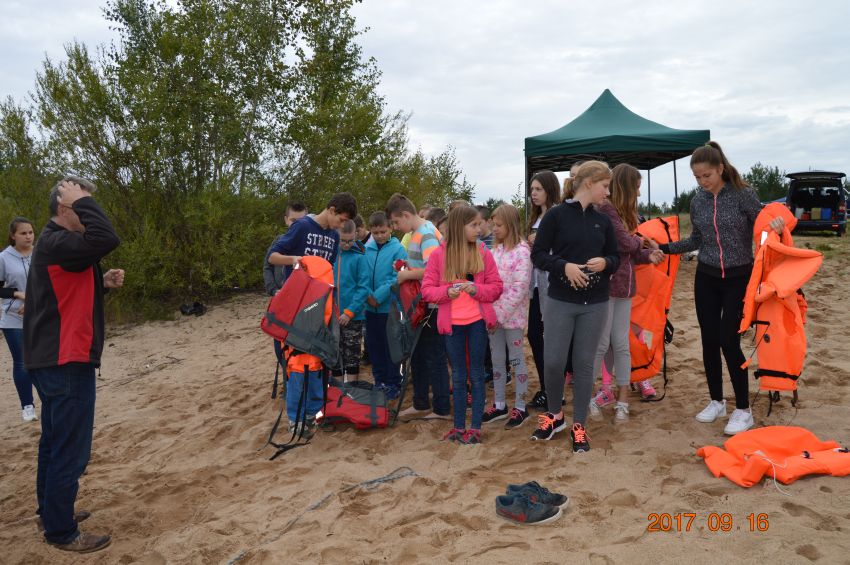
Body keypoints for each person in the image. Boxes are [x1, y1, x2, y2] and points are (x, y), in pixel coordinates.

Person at [24, 177, 123, 552]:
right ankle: (61, 531)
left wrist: (101, 283)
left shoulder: (56, 244)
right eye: (82, 205)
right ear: (66, 208)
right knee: (70, 449)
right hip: (65, 359)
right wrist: (81, 200)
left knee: (54, 442)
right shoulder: (57, 240)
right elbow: (107, 238)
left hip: (54, 358)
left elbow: (61, 293)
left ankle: (50, 514)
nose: (88, 211)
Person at [659, 142, 783, 435]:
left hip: (739, 278)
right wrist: (663, 248)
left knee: (729, 341)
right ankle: (717, 401)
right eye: (697, 177)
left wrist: (776, 226)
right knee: (709, 341)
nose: (702, 182)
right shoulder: (698, 201)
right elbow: (696, 240)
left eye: (707, 175)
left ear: (720, 169)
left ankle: (743, 409)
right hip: (706, 277)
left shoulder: (743, 194)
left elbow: (763, 227)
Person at [530, 161, 620, 453]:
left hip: (595, 303)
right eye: (604, 186)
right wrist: (563, 266)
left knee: (583, 365)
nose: (607, 192)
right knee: (554, 362)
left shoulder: (603, 220)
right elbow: (538, 255)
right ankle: (555, 415)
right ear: (589, 183)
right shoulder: (556, 216)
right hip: (560, 300)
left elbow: (615, 257)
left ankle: (579, 425)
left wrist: (606, 262)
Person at [268, 193, 357, 435]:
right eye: (341, 219)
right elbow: (272, 257)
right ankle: (295, 419)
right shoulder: (302, 227)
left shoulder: (333, 237)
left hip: (321, 310)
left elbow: (329, 273)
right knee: (298, 364)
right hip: (297, 309)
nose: (341, 225)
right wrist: (295, 259)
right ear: (331, 209)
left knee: (318, 363)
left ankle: (311, 415)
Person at [421, 205, 503, 443]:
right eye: (473, 225)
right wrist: (447, 292)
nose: (479, 229)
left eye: (479, 225)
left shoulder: (482, 252)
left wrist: (476, 289)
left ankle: (475, 428)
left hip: (477, 322)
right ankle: (458, 427)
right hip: (452, 325)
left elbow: (496, 287)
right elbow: (427, 290)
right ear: (459, 227)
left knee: (476, 374)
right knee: (457, 376)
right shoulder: (439, 255)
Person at [588, 164, 663, 423]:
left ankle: (621, 399)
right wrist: (640, 242)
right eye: (637, 188)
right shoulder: (607, 209)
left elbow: (629, 253)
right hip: (606, 287)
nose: (639, 194)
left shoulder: (621, 214)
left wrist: (648, 255)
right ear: (627, 187)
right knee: (601, 344)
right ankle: (592, 395)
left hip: (624, 288)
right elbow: (625, 244)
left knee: (620, 343)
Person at [388, 194, 451, 420]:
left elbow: (435, 270)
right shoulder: (417, 233)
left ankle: (441, 409)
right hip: (421, 305)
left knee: (434, 357)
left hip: (432, 306)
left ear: (406, 215)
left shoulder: (426, 233)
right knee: (418, 356)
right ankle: (421, 403)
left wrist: (407, 275)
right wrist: (406, 268)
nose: (396, 227)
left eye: (396, 222)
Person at [481, 204, 532, 429]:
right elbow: (488, 282)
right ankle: (500, 404)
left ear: (510, 225)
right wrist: (490, 314)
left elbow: (520, 288)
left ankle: (521, 406)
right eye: (493, 224)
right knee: (497, 360)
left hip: (512, 319)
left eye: (499, 225)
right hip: (494, 319)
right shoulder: (495, 251)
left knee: (517, 359)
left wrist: (499, 315)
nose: (494, 229)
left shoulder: (522, 252)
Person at [525, 170, 561, 410]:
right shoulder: (535, 218)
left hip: (554, 285)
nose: (533, 194)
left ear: (550, 189)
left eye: (538, 189)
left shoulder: (558, 215)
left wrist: (538, 242)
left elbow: (562, 248)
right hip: (537, 285)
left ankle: (554, 390)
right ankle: (546, 387)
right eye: (532, 190)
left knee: (552, 338)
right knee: (535, 335)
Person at [363, 212, 407, 398]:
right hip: (369, 308)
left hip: (389, 308)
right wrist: (368, 296)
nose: (379, 236)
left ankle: (393, 382)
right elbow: (362, 274)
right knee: (374, 346)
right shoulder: (366, 248)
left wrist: (378, 296)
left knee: (391, 347)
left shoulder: (398, 249)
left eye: (383, 231)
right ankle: (379, 380)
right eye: (375, 233)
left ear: (391, 228)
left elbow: (397, 277)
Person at [1, 217, 37, 421]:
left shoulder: (41, 254)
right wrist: (17, 294)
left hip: (40, 314)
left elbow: (50, 283)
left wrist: (33, 300)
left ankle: (48, 399)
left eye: (31, 232)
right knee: (22, 362)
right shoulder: (4, 258)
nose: (28, 236)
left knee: (42, 360)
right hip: (13, 317)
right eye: (23, 233)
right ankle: (27, 406)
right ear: (13, 235)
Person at [333, 219, 369, 382]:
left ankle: (352, 390)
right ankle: (337, 390)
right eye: (343, 240)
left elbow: (363, 288)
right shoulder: (331, 255)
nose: (347, 244)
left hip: (353, 316)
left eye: (350, 240)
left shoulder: (360, 257)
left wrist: (349, 312)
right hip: (332, 315)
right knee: (335, 352)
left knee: (352, 354)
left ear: (356, 235)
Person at [263, 202, 308, 296]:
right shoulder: (279, 241)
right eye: (293, 220)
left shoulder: (310, 243)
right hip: (280, 294)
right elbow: (268, 267)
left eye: (301, 221)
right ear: (286, 220)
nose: (297, 225)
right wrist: (273, 290)